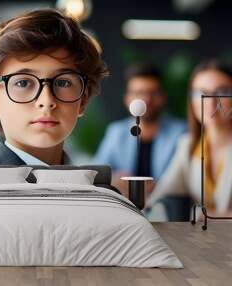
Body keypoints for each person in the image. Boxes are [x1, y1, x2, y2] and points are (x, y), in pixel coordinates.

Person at [0, 9, 108, 166]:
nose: (46, 100)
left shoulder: (102, 189)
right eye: (23, 83)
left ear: (82, 100)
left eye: (63, 83)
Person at [148, 59, 232, 220]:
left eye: (222, 91)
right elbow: (162, 195)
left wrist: (211, 216)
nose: (211, 102)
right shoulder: (188, 144)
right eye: (201, 93)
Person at [91, 64, 186, 194]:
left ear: (163, 97)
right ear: (127, 99)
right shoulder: (117, 132)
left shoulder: (181, 133)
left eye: (152, 93)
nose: (146, 100)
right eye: (139, 93)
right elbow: (95, 173)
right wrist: (114, 179)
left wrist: (159, 186)